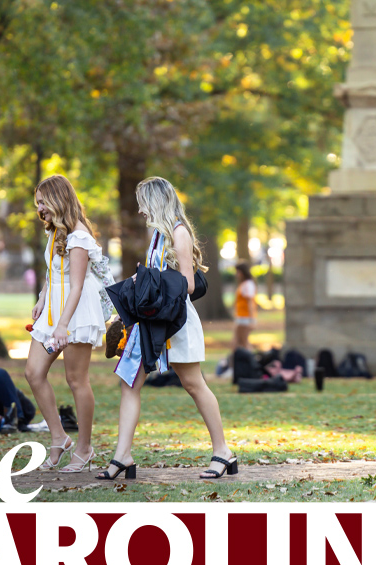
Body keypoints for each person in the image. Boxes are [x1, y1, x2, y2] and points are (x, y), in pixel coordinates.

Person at [103, 176, 234, 481]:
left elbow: (187, 285)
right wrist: (140, 281)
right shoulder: (158, 236)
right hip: (151, 322)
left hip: (176, 321)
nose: (140, 210)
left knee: (193, 384)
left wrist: (149, 279)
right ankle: (122, 456)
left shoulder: (179, 234)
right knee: (130, 382)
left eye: (143, 203)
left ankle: (223, 451)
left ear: (156, 201)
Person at [24, 174, 108, 472]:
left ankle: (85, 449)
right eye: (38, 203)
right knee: (33, 372)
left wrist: (63, 326)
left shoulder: (79, 236)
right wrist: (41, 298)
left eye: (43, 202)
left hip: (76, 313)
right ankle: (59, 437)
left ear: (58, 199)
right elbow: (52, 274)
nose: (40, 209)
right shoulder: (55, 232)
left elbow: (75, 286)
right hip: (52, 311)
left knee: (76, 380)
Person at [233, 262, 257, 350]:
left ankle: (252, 362)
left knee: (243, 342)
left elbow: (250, 302)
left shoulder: (248, 284)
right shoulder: (244, 284)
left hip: (245, 317)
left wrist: (252, 319)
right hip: (241, 316)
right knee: (239, 342)